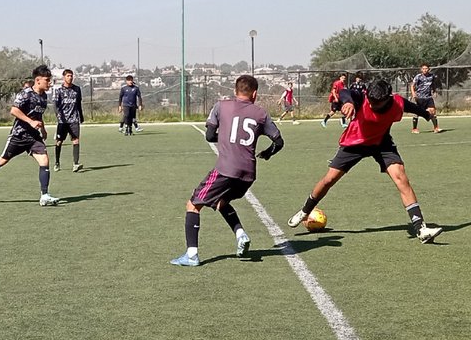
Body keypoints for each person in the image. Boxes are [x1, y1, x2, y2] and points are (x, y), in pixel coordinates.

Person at [287, 77, 442, 242]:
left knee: (401, 177)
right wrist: (348, 102)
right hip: (355, 142)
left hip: (381, 143)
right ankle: (305, 211)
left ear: (387, 98)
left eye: (377, 103)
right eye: (370, 101)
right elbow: (345, 92)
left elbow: (413, 108)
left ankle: (421, 229)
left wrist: (426, 114)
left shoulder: (397, 102)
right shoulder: (363, 97)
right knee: (329, 179)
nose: (372, 105)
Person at [170, 75, 284, 267]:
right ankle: (241, 235)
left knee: (192, 204)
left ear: (235, 91)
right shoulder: (261, 113)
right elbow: (279, 142)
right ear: (255, 93)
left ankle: (191, 255)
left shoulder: (221, 106)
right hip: (248, 174)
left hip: (226, 169)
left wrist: (225, 138)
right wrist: (268, 153)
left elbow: (208, 135)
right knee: (221, 203)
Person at [0, 64, 58, 206]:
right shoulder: (26, 94)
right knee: (3, 160)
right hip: (19, 135)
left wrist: (42, 129)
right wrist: (30, 122)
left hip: (33, 137)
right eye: (47, 80)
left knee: (44, 161)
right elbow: (14, 110)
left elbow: (38, 115)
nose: (49, 83)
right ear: (38, 80)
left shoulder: (43, 97)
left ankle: (44, 195)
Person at [52, 68, 84, 172]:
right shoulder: (59, 90)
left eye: (71, 76)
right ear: (64, 77)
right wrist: (58, 115)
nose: (70, 78)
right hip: (62, 121)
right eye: (68, 76)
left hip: (74, 119)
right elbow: (55, 105)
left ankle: (75, 163)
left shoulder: (77, 89)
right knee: (59, 142)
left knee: (76, 140)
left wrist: (81, 115)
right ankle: (57, 162)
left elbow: (78, 103)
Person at [411, 63, 441, 133]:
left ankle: (436, 128)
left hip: (428, 98)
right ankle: (414, 129)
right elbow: (412, 85)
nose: (425, 70)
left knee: (432, 111)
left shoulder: (432, 76)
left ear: (429, 69)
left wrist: (434, 91)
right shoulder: (418, 77)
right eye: (423, 69)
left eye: (426, 68)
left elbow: (433, 84)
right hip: (419, 98)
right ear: (421, 69)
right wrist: (413, 94)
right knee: (417, 113)